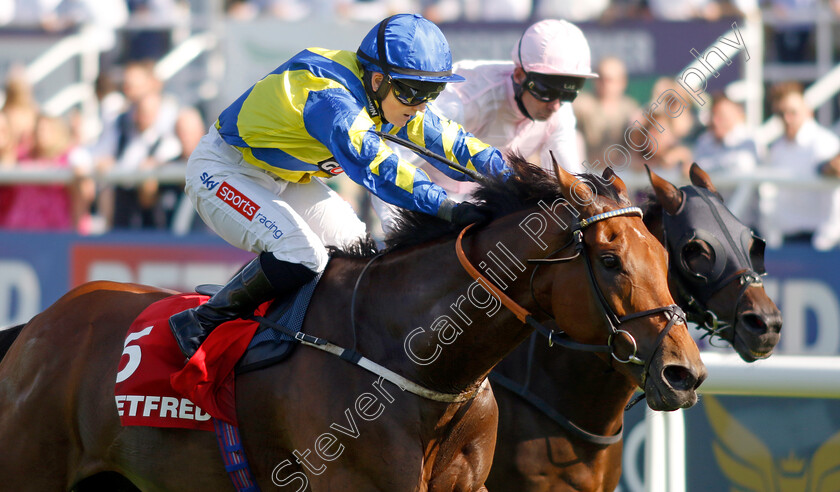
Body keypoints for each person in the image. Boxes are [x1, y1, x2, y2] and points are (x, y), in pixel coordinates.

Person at [168, 14, 511, 359]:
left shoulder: (391, 95)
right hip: (223, 172)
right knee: (302, 254)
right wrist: (448, 206)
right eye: (415, 92)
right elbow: (379, 168)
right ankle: (202, 320)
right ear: (377, 79)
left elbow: (452, 142)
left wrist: (515, 178)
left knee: (359, 252)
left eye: (432, 92)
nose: (421, 105)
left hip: (283, 178)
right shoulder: (332, 101)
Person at [407, 18, 597, 203]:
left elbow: (570, 186)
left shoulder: (561, 110)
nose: (556, 105)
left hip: (483, 201)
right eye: (546, 91)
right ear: (519, 75)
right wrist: (393, 228)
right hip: (418, 194)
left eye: (568, 94)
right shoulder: (464, 100)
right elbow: (398, 159)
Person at [762, 83, 840, 248]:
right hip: (788, 242)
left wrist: (825, 241)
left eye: (792, 112)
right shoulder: (778, 149)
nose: (787, 119)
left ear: (808, 111)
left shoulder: (824, 142)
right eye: (781, 114)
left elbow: (834, 198)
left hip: (822, 243)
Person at [574, 56, 640, 167]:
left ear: (622, 82)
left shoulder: (630, 109)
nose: (604, 84)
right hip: (586, 172)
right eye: (601, 79)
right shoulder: (581, 105)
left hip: (621, 175)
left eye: (609, 80)